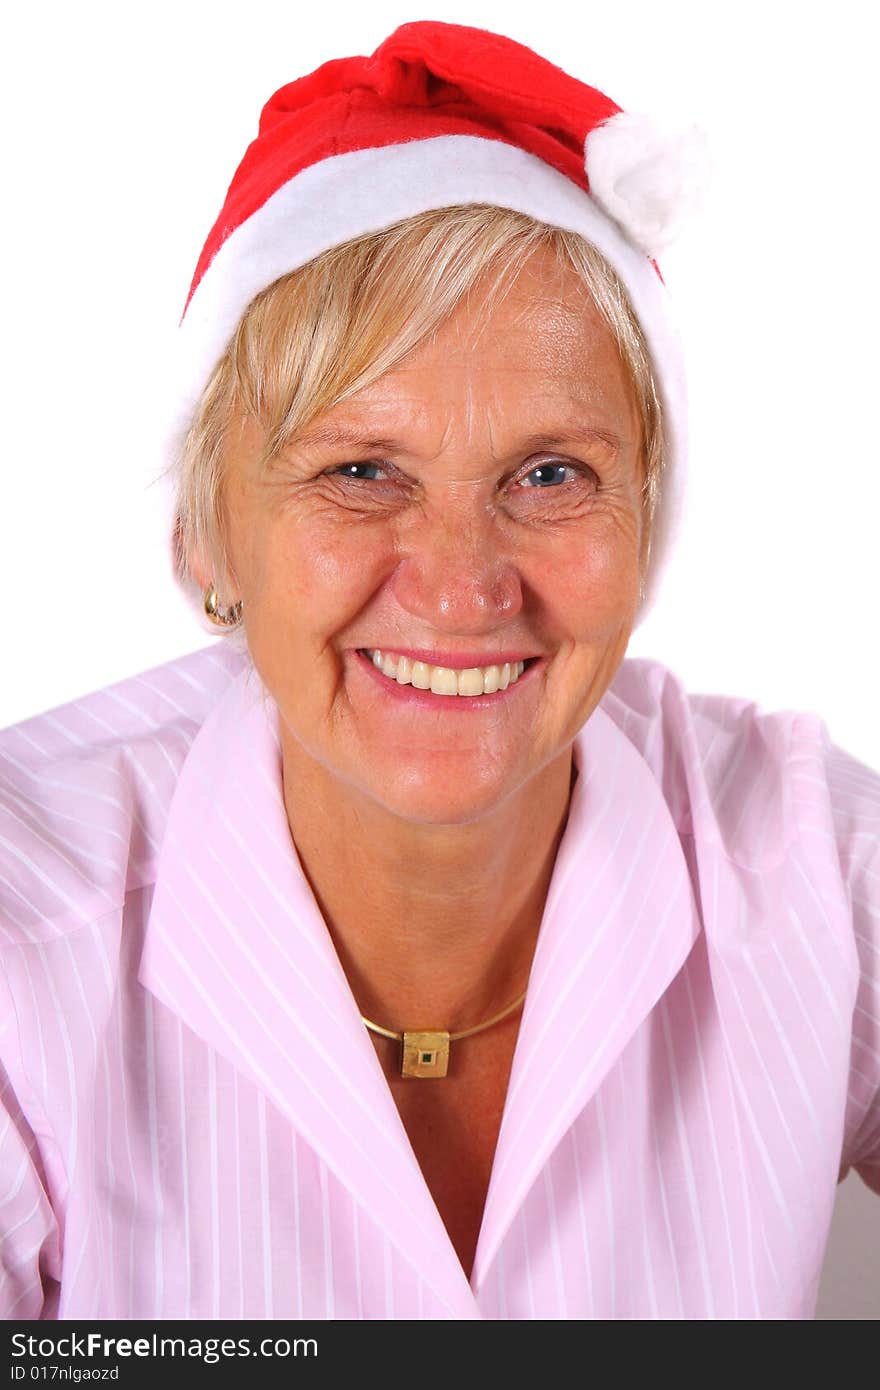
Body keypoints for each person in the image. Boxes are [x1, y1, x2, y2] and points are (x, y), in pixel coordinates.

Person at [0, 18, 877, 1322]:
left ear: (647, 525)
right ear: (205, 537)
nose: (464, 586)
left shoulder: (809, 853)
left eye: (550, 474)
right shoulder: (26, 933)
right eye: (361, 471)